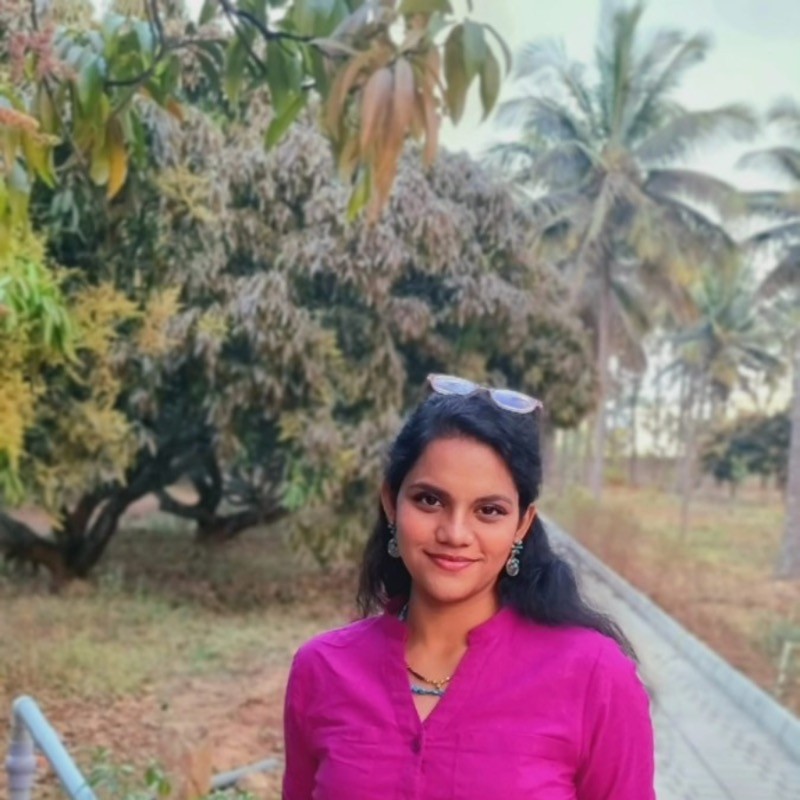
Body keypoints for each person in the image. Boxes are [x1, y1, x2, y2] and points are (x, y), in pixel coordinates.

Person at [282, 374, 655, 800]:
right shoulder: (323, 669)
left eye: (489, 510)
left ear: (522, 524)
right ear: (391, 503)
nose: (455, 533)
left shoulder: (595, 677)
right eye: (429, 500)